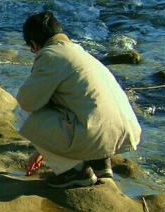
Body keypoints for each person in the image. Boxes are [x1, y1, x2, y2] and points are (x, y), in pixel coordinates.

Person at [17, 11, 142, 189]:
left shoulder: (50, 55)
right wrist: (41, 151)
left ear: (34, 44)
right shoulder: (80, 52)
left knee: (22, 111)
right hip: (125, 131)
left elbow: (27, 101)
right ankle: (100, 162)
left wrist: (49, 150)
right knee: (79, 105)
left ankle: (74, 172)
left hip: (95, 135)